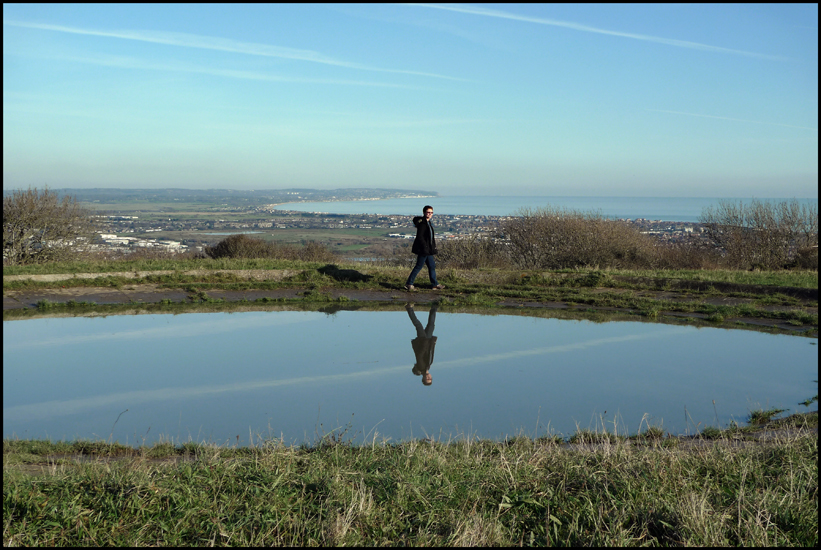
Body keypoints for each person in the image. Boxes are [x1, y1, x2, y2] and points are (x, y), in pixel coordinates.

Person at [405, 205, 445, 291]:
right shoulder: (422, 224)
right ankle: (409, 283)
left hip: (428, 250)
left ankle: (434, 284)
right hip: (423, 250)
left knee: (432, 266)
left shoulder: (428, 223)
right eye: (428, 212)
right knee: (418, 266)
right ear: (424, 213)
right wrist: (425, 247)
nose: (430, 214)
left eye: (431, 212)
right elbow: (420, 237)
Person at [406, 303, 438, 385]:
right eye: (430, 378)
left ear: (423, 378)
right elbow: (430, 352)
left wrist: (425, 343)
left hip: (423, 341)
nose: (428, 377)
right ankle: (434, 307)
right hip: (428, 341)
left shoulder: (421, 367)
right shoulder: (428, 366)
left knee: (418, 325)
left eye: (427, 379)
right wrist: (433, 343)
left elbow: (420, 354)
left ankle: (409, 309)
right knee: (431, 325)